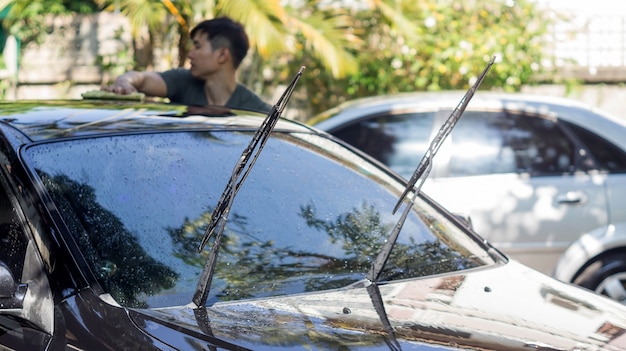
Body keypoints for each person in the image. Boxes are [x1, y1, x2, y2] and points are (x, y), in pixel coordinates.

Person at [101, 16, 271, 113]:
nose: (190, 53)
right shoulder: (184, 80)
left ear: (222, 55)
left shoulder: (256, 112)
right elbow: (142, 79)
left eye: (197, 46)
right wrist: (125, 83)